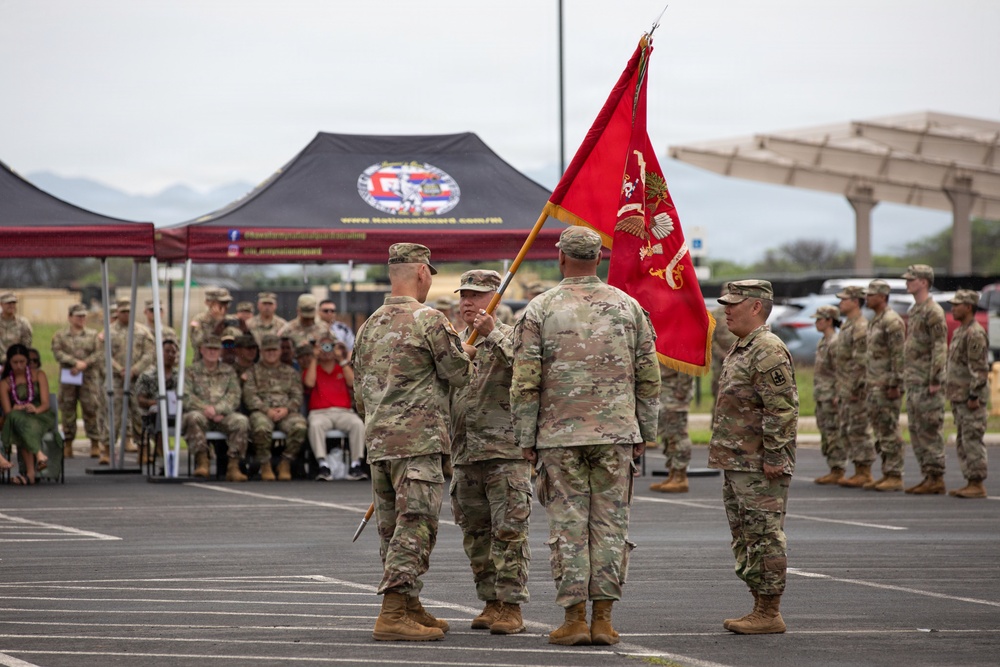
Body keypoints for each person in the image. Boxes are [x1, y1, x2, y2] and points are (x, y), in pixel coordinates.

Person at [511, 226, 659, 646]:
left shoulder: (540, 308)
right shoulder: (628, 307)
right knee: (610, 525)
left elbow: (525, 380)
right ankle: (604, 621)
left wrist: (526, 436)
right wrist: (644, 429)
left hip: (559, 436)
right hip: (615, 434)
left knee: (568, 526)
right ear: (599, 258)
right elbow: (649, 375)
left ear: (561, 258)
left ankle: (574, 619)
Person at [353, 242, 472, 642]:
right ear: (422, 272)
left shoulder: (368, 325)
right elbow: (459, 374)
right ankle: (392, 613)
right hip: (418, 443)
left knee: (392, 530)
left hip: (380, 442)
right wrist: (466, 352)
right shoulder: (430, 320)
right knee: (416, 526)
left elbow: (359, 394)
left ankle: (407, 603)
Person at [710, 280, 798, 635]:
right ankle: (759, 605)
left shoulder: (767, 350)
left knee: (764, 535)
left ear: (756, 307)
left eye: (734, 303)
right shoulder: (744, 347)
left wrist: (775, 455)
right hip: (739, 460)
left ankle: (769, 611)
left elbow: (782, 408)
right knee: (747, 536)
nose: (727, 310)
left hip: (759, 464)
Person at [450, 270, 531, 635]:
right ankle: (490, 601)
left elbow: (528, 370)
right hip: (465, 453)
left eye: (477, 296)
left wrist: (492, 333)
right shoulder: (454, 342)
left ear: (495, 299)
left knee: (509, 533)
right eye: (464, 296)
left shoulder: (513, 336)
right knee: (475, 534)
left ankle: (511, 606)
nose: (468, 302)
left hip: (504, 453)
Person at [902, 264, 949, 494]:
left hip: (927, 382)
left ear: (924, 282)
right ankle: (928, 475)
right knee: (917, 429)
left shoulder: (933, 311)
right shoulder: (916, 310)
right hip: (914, 381)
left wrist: (935, 378)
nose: (907, 283)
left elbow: (940, 346)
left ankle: (936, 476)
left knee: (930, 428)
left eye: (911, 279)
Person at [182, 335, 249, 482]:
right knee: (192, 418)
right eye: (209, 349)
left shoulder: (229, 371)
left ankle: (233, 467)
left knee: (241, 421)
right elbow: (186, 395)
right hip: (201, 414)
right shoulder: (190, 371)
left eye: (215, 349)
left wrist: (218, 410)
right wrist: (205, 409)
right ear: (201, 350)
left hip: (222, 416)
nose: (212, 352)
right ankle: (202, 462)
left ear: (220, 351)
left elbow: (234, 395)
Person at [944, 289, 990, 498]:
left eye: (957, 305)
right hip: (959, 396)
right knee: (963, 439)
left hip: (970, 398)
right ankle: (970, 480)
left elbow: (979, 368)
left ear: (969, 307)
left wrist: (974, 395)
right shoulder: (961, 331)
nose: (953, 308)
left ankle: (977, 483)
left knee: (972, 439)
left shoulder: (974, 333)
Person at [243, 334, 307, 482]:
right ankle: (265, 464)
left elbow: (297, 396)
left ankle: (285, 463)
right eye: (267, 350)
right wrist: (267, 410)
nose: (271, 353)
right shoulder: (253, 372)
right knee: (261, 427)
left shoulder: (290, 372)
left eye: (274, 350)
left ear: (279, 351)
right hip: (262, 412)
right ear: (262, 351)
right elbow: (250, 396)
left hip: (286, 412)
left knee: (300, 427)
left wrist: (286, 409)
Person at [302, 334, 366, 481]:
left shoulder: (342, 368)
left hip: (343, 412)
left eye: (330, 346)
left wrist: (341, 359)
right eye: (323, 346)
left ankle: (355, 465)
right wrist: (314, 357)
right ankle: (323, 465)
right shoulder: (313, 368)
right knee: (315, 425)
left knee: (357, 424)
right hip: (320, 413)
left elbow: (353, 383)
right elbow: (309, 383)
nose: (327, 350)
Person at [864, 279, 907, 491]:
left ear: (882, 297)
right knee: (881, 431)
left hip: (887, 386)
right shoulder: (876, 320)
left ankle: (895, 474)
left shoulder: (892, 321)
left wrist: (895, 384)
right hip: (875, 385)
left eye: (871, 294)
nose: (867, 298)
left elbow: (898, 355)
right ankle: (887, 472)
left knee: (889, 429)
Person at [51, 303, 108, 460]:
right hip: (68, 377)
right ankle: (68, 443)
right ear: (70, 317)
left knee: (91, 409)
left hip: (88, 379)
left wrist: (84, 364)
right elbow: (57, 352)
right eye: (78, 316)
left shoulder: (93, 335)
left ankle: (95, 443)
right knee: (68, 410)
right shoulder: (60, 335)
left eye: (83, 316)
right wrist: (74, 362)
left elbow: (99, 353)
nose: (81, 319)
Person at [833, 286, 875, 488]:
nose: (840, 303)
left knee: (859, 429)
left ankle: (864, 471)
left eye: (844, 299)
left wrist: (856, 389)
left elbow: (861, 362)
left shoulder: (860, 326)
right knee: (849, 429)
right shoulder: (848, 325)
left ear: (856, 302)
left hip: (856, 389)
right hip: (846, 387)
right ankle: (859, 469)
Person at [1, 344, 61, 485]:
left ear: (27, 361)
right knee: (16, 419)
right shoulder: (5, 383)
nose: (19, 366)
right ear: (9, 363)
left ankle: (31, 471)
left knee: (22, 426)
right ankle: (36, 460)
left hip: (40, 415)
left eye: (22, 362)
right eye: (15, 362)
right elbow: (8, 412)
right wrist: (17, 407)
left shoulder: (39, 375)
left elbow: (46, 404)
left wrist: (36, 409)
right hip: (18, 417)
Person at [109, 298, 156, 458]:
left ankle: (143, 449)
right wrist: (120, 370)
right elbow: (104, 354)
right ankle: (107, 450)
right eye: (123, 312)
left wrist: (134, 370)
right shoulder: (109, 332)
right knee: (113, 415)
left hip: (137, 380)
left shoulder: (143, 332)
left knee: (139, 414)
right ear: (117, 312)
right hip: (116, 380)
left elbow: (149, 354)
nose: (126, 314)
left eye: (129, 311)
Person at [811, 305, 847, 484]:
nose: (816, 323)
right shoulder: (823, 341)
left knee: (833, 432)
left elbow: (841, 370)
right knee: (826, 431)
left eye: (819, 319)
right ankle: (834, 467)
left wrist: (838, 394)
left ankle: (838, 468)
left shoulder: (835, 342)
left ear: (829, 320)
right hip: (822, 394)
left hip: (831, 394)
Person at [649, 364, 695, 493]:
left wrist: (682, 391)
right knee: (668, 436)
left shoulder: (682, 349)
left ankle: (680, 477)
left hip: (674, 396)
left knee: (678, 436)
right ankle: (673, 474)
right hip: (665, 393)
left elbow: (687, 366)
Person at [135, 337, 181, 464]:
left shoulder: (180, 376)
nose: (170, 355)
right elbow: (141, 400)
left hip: (177, 412)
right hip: (154, 414)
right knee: (159, 412)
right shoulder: (147, 376)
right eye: (167, 351)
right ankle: (162, 452)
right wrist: (159, 403)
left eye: (173, 352)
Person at [190, 287, 233, 358]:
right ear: (209, 303)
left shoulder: (231, 320)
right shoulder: (199, 320)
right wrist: (216, 323)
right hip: (204, 361)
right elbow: (198, 342)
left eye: (227, 303)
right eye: (221, 303)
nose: (225, 306)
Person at [0, 292, 33, 367]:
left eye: (13, 303)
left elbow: (26, 345)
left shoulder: (23, 323)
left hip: (16, 364)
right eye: (8, 303)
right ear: (1, 304)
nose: (11, 306)